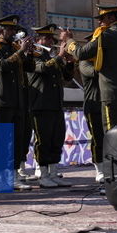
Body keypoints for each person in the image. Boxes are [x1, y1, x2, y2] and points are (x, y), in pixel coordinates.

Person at [62, 5, 117, 132]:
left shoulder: (107, 35)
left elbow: (81, 54)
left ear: (111, 17)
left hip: (113, 95)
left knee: (113, 136)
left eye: (102, 18)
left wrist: (69, 40)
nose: (99, 22)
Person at [0, 15, 34, 190]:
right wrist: (20, 51)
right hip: (0, 100)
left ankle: (13, 175)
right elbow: (3, 65)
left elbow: (29, 67)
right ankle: (1, 177)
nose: (14, 32)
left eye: (14, 29)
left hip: (17, 100)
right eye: (10, 30)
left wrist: (27, 53)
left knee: (17, 140)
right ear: (1, 31)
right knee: (2, 141)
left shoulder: (14, 47)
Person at [28, 24, 74, 188]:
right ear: (38, 40)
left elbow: (67, 76)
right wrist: (60, 56)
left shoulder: (52, 57)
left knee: (56, 139)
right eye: (45, 38)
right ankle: (43, 174)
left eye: (50, 38)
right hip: (40, 105)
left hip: (55, 104)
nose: (49, 41)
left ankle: (54, 173)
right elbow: (42, 69)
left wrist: (69, 61)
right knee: (43, 140)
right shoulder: (33, 55)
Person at [78, 34, 104, 183]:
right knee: (97, 138)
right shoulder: (84, 62)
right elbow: (95, 72)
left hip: (105, 104)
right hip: (93, 105)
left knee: (109, 139)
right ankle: (99, 169)